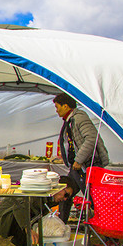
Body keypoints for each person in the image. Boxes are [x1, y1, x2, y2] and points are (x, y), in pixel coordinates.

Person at [51, 93, 110, 223]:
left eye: (57, 107)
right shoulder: (70, 120)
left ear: (65, 106)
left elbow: (91, 138)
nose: (56, 110)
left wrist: (79, 159)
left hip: (88, 166)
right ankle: (60, 224)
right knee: (64, 192)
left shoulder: (79, 118)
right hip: (77, 167)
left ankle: (109, 237)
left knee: (94, 199)